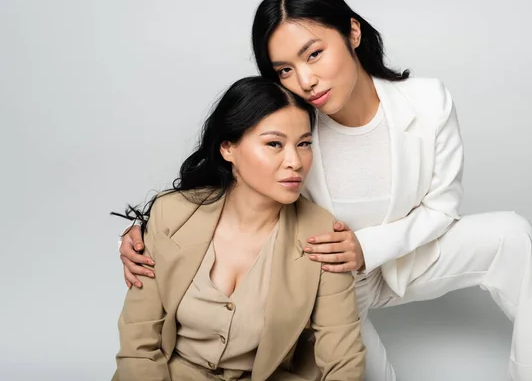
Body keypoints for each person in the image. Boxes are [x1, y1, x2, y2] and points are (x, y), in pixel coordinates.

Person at [118, 0, 532, 380]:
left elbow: (443, 206)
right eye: (284, 70)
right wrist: (148, 230)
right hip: (330, 280)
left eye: (314, 53)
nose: (304, 80)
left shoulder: (428, 101)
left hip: (410, 256)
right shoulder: (296, 127)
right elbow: (238, 163)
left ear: (352, 32)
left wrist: (368, 247)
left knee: (514, 238)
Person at [111, 76, 366, 381]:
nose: (295, 161)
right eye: (274, 143)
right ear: (228, 148)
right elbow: (139, 344)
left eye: (304, 144)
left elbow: (344, 360)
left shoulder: (321, 232)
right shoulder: (172, 214)